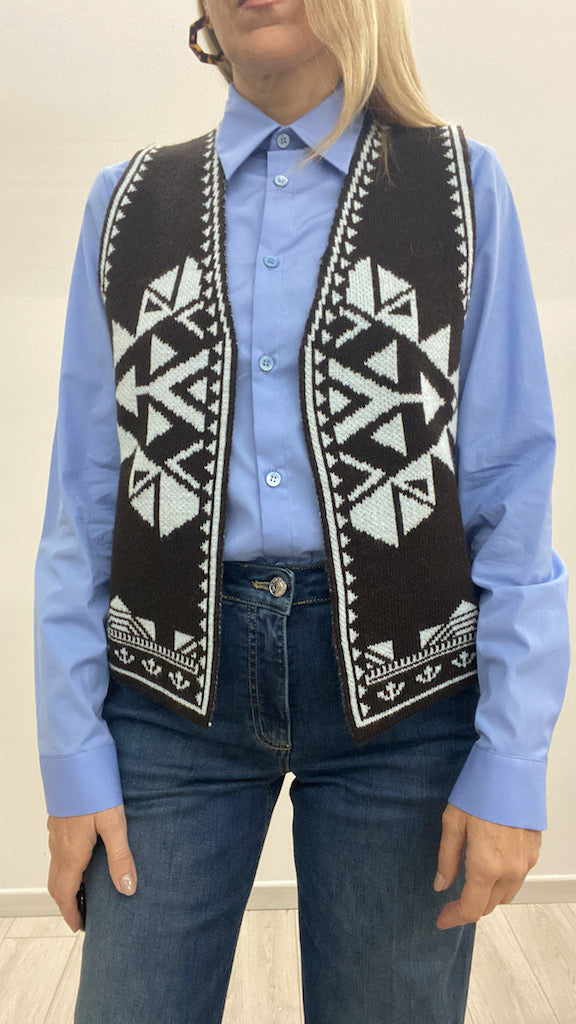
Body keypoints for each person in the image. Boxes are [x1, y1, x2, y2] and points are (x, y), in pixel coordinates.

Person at [34, 1, 570, 1021]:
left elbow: (510, 491)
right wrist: (71, 761)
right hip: (165, 696)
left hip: (410, 703)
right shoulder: (127, 202)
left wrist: (512, 754)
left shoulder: (461, 188)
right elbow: (84, 504)